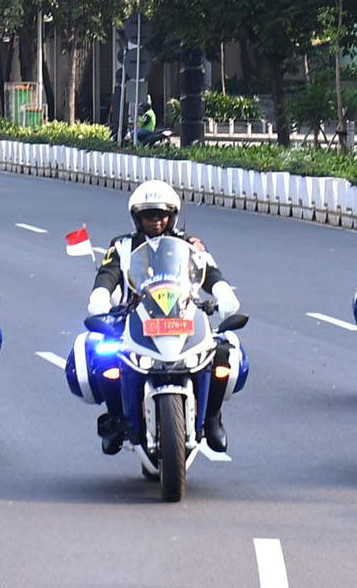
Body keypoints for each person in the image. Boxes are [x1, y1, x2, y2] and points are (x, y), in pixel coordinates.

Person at [85, 179, 242, 453]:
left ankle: (213, 418)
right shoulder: (122, 246)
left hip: (182, 314)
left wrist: (222, 291)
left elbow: (208, 270)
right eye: (148, 215)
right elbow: (108, 272)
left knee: (221, 353)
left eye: (161, 214)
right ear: (137, 217)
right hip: (133, 316)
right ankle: (115, 418)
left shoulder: (188, 244)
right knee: (105, 355)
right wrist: (100, 294)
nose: (155, 221)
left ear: (172, 216)